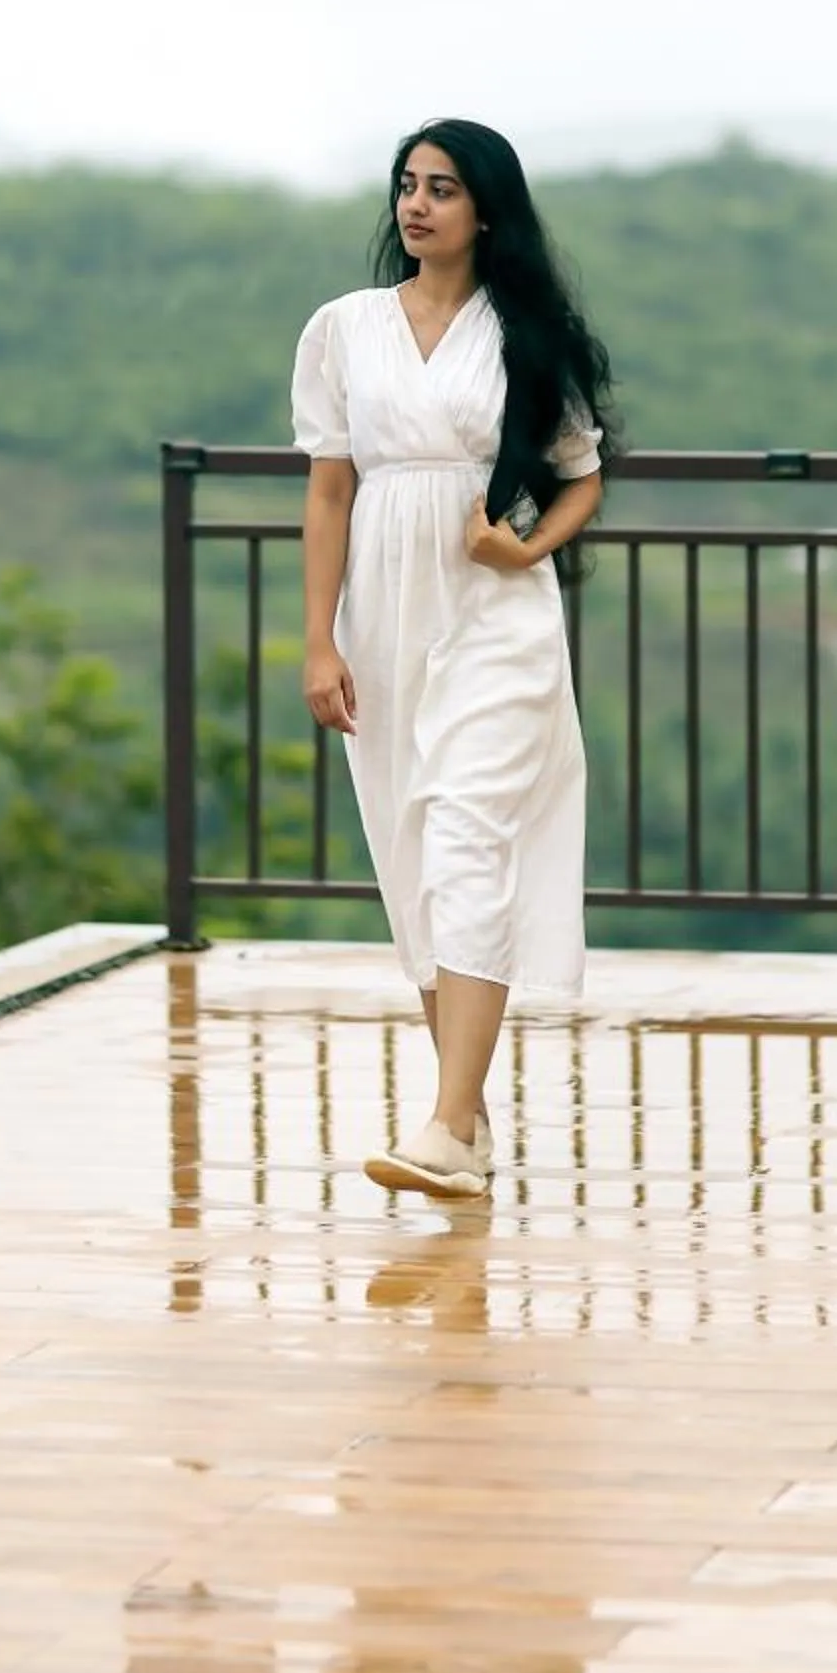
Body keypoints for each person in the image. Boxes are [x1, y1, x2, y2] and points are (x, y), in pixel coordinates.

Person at [291, 118, 618, 1200]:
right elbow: (329, 489)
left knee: (470, 835)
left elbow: (580, 474)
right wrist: (318, 639)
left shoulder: (525, 333)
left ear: (485, 209)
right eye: (404, 186)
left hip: (494, 610)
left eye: (440, 188)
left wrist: (519, 545)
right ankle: (465, 1125)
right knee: (415, 854)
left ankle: (441, 1123)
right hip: (384, 615)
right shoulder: (342, 329)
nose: (415, 204)